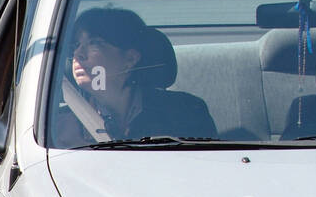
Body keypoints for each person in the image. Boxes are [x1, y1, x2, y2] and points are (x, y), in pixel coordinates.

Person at [54, 8, 217, 145]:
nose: (78, 54)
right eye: (76, 45)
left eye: (94, 43)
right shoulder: (58, 125)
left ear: (130, 59)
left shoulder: (186, 112)